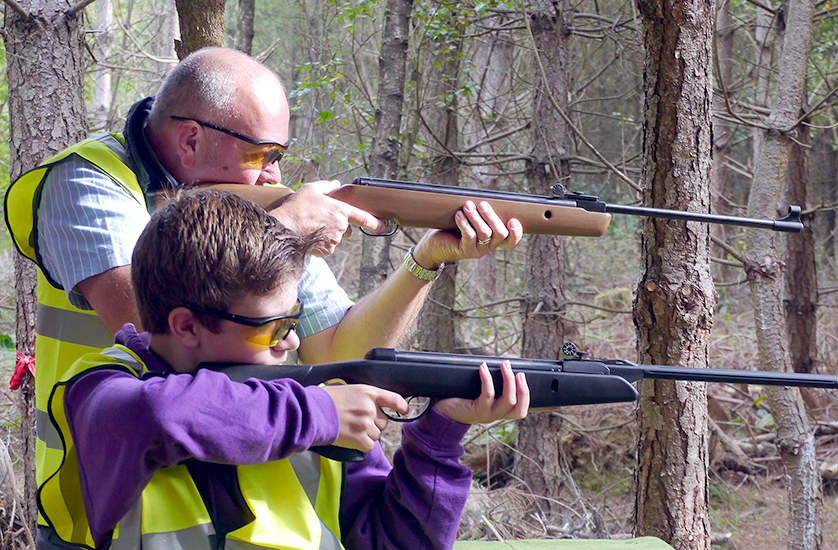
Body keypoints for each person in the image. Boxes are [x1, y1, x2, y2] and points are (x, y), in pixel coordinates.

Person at [4, 47, 523, 544]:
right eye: (263, 154)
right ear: (190, 140)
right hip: (108, 514)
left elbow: (339, 353)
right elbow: (148, 317)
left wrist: (424, 261)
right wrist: (286, 226)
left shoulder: (310, 390)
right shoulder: (89, 179)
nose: (275, 174)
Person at [36, 188, 530, 550]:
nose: (292, 340)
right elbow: (160, 416)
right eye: (272, 327)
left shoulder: (311, 401)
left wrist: (441, 436)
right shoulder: (102, 388)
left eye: (294, 319)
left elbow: (398, 543)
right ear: (186, 326)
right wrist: (319, 412)